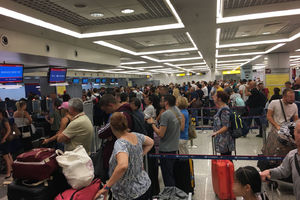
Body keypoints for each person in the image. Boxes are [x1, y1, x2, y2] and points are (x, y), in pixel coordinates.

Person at [93, 112, 154, 200]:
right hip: (144, 185)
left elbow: (122, 165)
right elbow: (150, 142)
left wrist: (107, 186)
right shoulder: (136, 135)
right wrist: (139, 156)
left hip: (128, 193)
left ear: (112, 127)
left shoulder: (120, 143)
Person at [260, 119, 300, 200]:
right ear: (294, 134)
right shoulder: (292, 155)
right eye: (299, 132)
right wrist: (269, 172)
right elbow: (283, 171)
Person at [147, 95, 181, 186]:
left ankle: (169, 194)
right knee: (172, 173)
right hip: (174, 147)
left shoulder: (166, 114)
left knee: (167, 175)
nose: (160, 102)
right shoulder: (177, 111)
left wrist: (152, 124)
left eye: (162, 101)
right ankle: (172, 192)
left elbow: (161, 134)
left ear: (166, 102)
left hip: (166, 149)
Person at [98, 94, 133, 181]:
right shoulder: (129, 111)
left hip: (115, 156)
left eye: (106, 110)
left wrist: (107, 187)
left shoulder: (118, 116)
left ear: (110, 105)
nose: (107, 113)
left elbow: (101, 133)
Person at [212, 91, 235, 156]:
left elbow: (226, 126)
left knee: (226, 159)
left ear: (219, 98)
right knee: (225, 159)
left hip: (225, 140)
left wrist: (216, 132)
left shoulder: (224, 110)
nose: (213, 97)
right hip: (222, 139)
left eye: (215, 96)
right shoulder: (221, 108)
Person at [0, 108, 13, 179]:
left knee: (6, 157)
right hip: (4, 140)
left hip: (4, 140)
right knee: (8, 155)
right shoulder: (2, 120)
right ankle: (12, 169)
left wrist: (4, 138)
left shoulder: (4, 120)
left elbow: (9, 130)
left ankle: (8, 173)